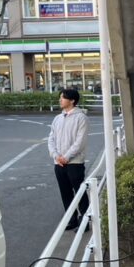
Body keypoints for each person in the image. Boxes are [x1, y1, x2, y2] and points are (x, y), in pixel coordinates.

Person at [48, 88, 89, 231]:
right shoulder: (57, 118)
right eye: (60, 97)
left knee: (80, 193)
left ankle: (84, 222)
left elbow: (80, 142)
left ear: (72, 100)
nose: (60, 100)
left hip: (75, 163)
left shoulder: (81, 118)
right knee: (65, 193)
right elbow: (51, 139)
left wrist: (66, 157)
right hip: (59, 163)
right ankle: (71, 220)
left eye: (63, 97)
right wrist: (56, 155)